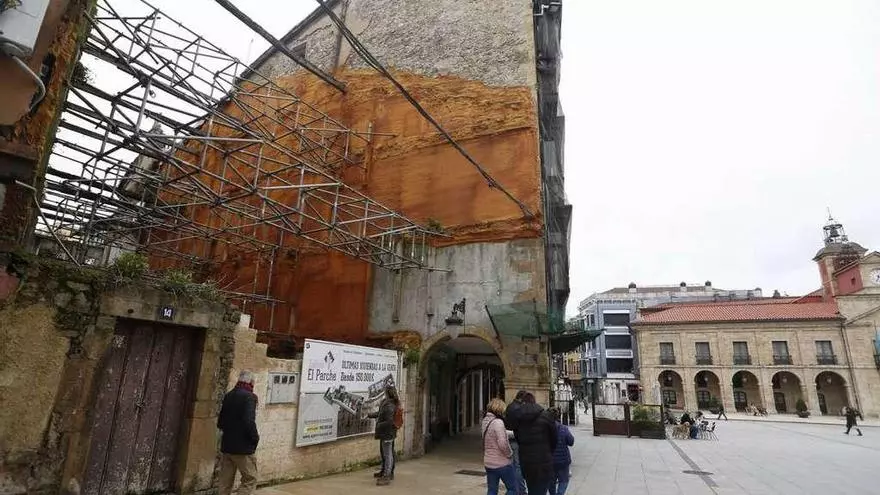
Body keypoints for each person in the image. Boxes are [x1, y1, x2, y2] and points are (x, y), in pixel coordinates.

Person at [505, 392, 557, 495]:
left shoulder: (519, 418)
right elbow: (554, 439)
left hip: (527, 462)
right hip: (544, 461)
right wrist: (548, 452)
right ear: (534, 401)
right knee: (541, 490)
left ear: (523, 402)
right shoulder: (547, 416)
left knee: (532, 489)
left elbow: (517, 437)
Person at [217, 370, 260, 495]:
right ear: (251, 382)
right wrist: (255, 438)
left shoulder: (229, 395)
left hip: (227, 446)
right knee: (250, 479)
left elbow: (220, 422)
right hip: (243, 448)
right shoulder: (250, 397)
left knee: (225, 482)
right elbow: (249, 421)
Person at [482, 398, 518, 495]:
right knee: (513, 489)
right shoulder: (498, 422)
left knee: (492, 490)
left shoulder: (486, 421)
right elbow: (502, 443)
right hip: (501, 463)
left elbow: (496, 433)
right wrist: (509, 453)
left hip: (489, 462)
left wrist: (514, 433)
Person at [368, 386, 400, 485]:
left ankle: (387, 475)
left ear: (387, 393)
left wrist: (379, 424)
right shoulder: (387, 402)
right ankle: (384, 472)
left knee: (388, 454)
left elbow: (389, 421)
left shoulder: (389, 405)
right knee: (384, 452)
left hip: (388, 433)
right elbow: (380, 413)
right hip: (386, 433)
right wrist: (370, 415)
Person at [504, 390, 529, 495]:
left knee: (512, 465)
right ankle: (521, 490)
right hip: (516, 440)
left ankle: (513, 488)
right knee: (518, 466)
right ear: (522, 399)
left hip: (509, 439)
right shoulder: (519, 409)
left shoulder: (509, 406)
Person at [549, 408, 574, 495]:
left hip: (550, 461)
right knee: (563, 480)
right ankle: (560, 493)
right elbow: (571, 442)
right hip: (563, 460)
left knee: (551, 481)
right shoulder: (563, 428)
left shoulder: (544, 429)